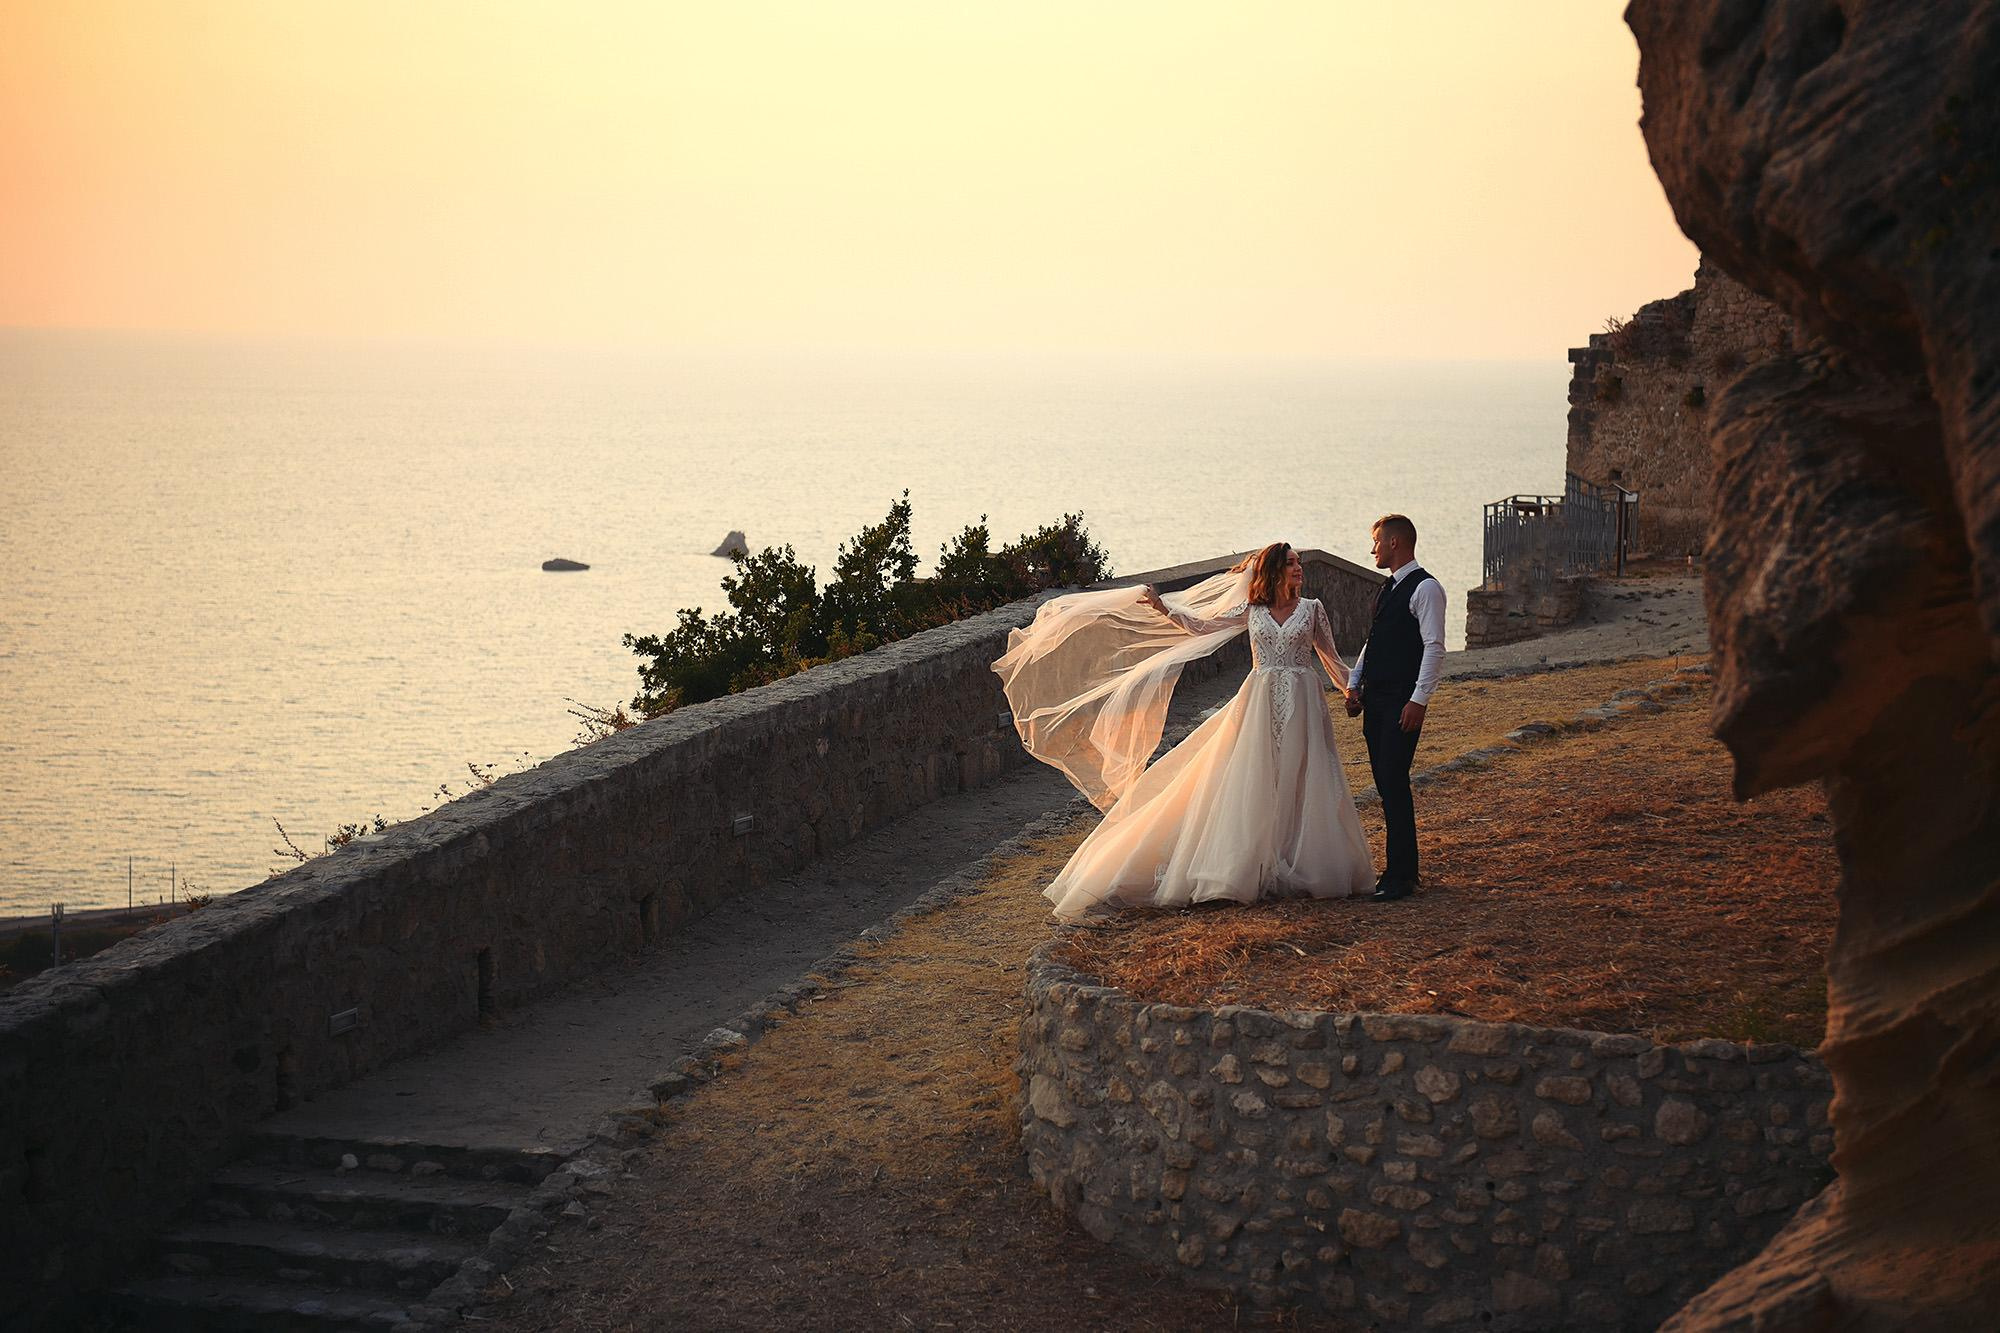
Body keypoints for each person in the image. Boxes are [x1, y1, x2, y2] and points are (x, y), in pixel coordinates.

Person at [993, 542, 1373, 919]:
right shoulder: (1253, 611)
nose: (1298, 568)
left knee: (1304, 777)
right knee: (1254, 779)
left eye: (1298, 563)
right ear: (1273, 570)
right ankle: (1250, 864)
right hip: (1259, 702)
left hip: (1303, 702)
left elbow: (1332, 659)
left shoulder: (1312, 610)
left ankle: (1299, 859)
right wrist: (1164, 608)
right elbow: (1203, 627)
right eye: (1290, 563)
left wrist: (1351, 691)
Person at [1342, 514, 1445, 902]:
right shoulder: (1387, 589)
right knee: (1386, 784)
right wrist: (1354, 684)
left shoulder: (1426, 588)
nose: (1373, 549)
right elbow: (1374, 641)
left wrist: (1418, 700)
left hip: (1403, 701)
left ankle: (1400, 874)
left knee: (1394, 781)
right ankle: (1404, 870)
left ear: (1395, 543)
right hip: (1376, 700)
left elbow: (1434, 646)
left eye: (1377, 542)